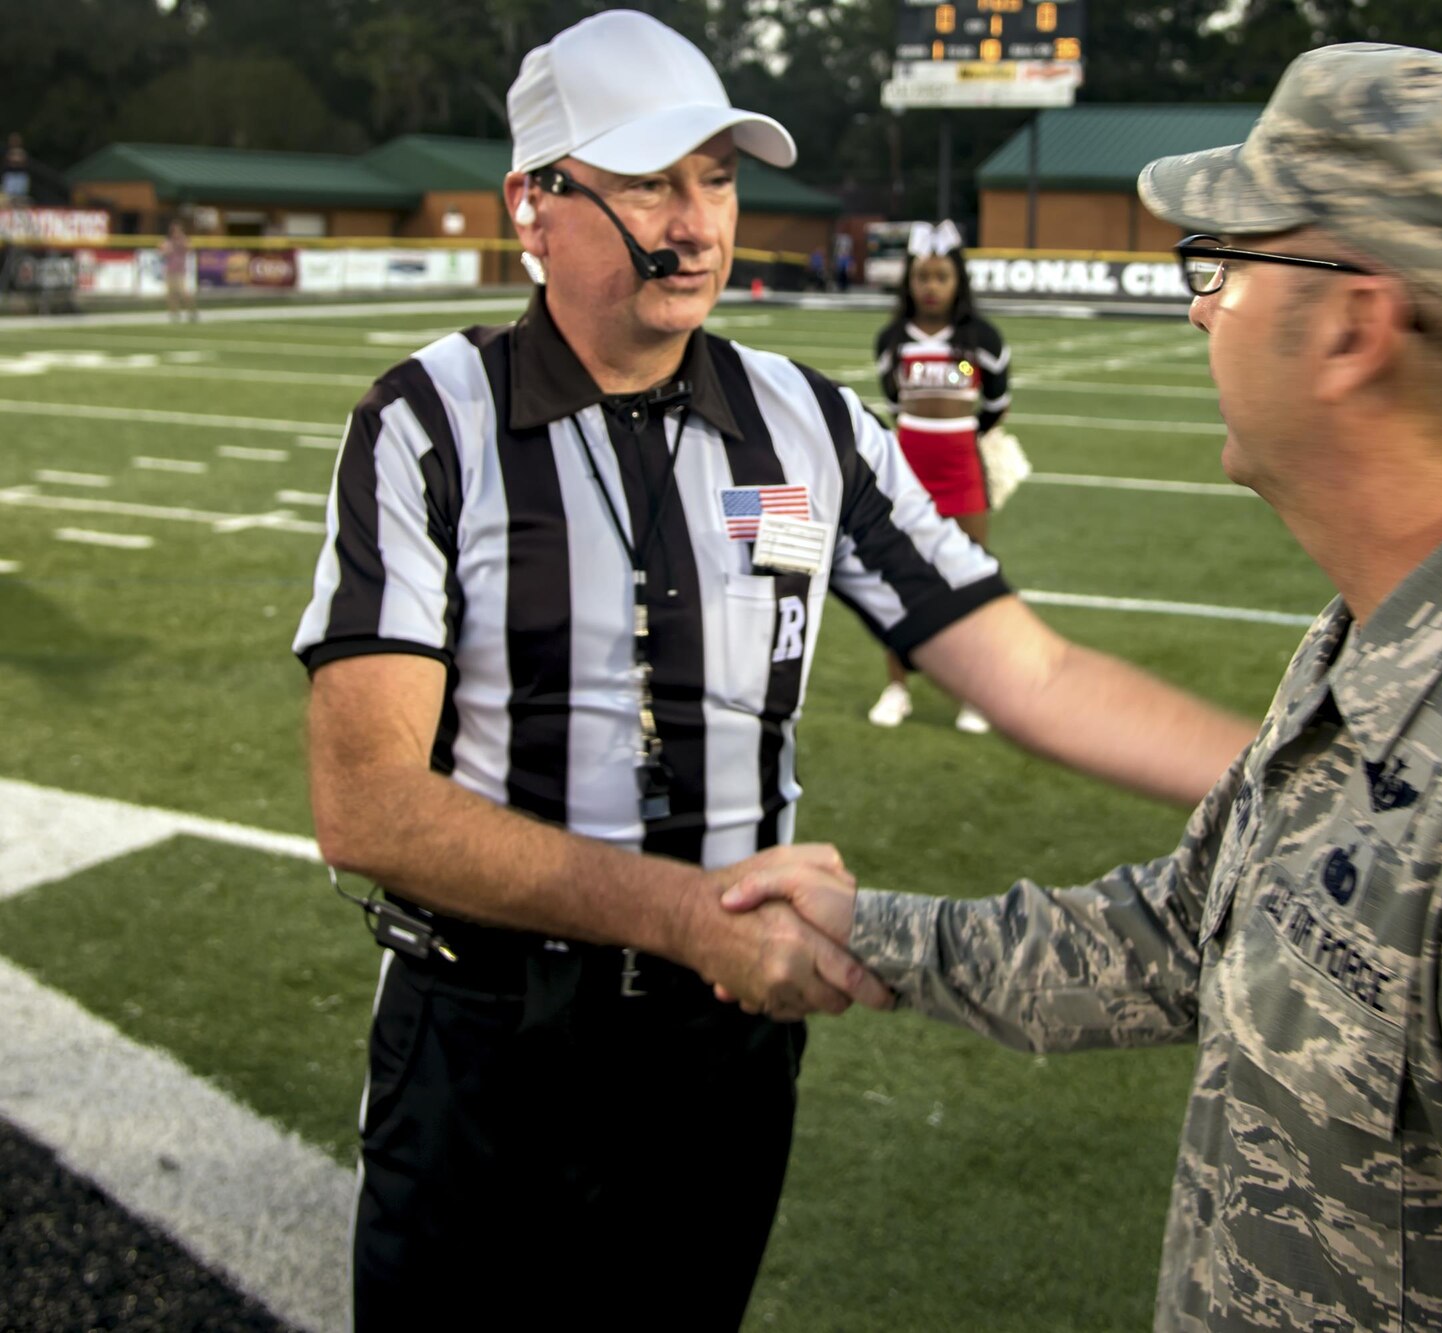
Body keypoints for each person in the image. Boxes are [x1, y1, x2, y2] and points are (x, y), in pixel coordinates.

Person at [722, 43, 1442, 1332]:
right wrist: (872, 931)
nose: (1197, 305)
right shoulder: (1392, 632)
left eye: (1224, 263)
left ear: (1352, 324)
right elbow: (1183, 933)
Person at [292, 10, 1253, 1331]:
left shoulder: (813, 422)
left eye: (718, 176)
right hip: (491, 1035)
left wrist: (1300, 780)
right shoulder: (426, 424)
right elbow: (368, 804)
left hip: (719, 1051)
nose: (695, 222)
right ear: (535, 201)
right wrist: (682, 913)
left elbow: (1027, 670)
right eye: (646, 179)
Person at [868, 219, 1010, 733]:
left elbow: (995, 406)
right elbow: (893, 404)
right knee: (900, 582)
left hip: (963, 476)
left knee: (971, 582)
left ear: (959, 282)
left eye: (941, 277)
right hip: (907, 476)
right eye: (921, 277)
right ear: (908, 281)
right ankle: (897, 685)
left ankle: (974, 694)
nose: (930, 287)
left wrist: (961, 440)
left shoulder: (982, 340)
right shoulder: (891, 341)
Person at [161, 219, 194, 323]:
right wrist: (166, 249)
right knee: (171, 294)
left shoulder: (183, 240)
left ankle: (191, 311)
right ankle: (174, 313)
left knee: (183, 292)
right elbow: (163, 252)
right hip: (170, 270)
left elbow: (189, 248)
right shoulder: (168, 241)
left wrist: (180, 244)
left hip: (180, 270)